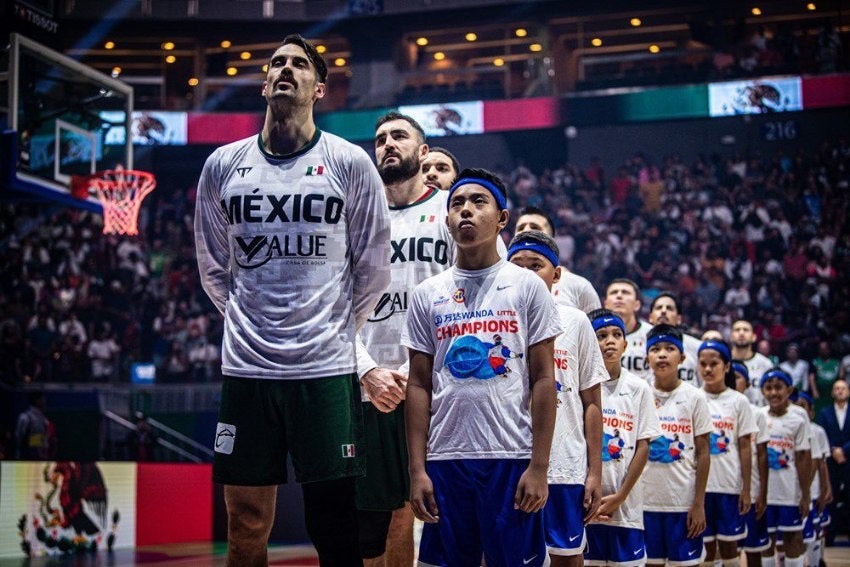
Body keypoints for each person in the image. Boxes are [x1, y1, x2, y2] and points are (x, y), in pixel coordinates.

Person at [194, 34, 391, 566]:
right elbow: (214, 268)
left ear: (319, 87)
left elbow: (373, 270)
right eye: (276, 62)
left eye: (299, 64)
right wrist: (248, 322)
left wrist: (332, 329)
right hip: (248, 371)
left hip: (325, 371)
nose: (286, 69)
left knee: (334, 527)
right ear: (264, 84)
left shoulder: (350, 163)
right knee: (246, 524)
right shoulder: (222, 165)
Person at [402, 168, 562, 566]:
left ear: (502, 218)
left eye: (478, 202)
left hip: (510, 457)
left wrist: (539, 466)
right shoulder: (426, 294)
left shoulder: (527, 287)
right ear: (447, 218)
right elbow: (418, 386)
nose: (466, 211)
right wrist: (417, 469)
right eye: (457, 204)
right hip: (445, 460)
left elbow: (545, 380)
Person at [354, 111, 453, 566]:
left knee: (453, 509)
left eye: (399, 136)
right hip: (378, 387)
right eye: (380, 139)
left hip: (445, 383)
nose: (388, 144)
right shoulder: (357, 216)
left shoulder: (453, 210)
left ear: (423, 151)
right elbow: (334, 305)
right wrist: (368, 369)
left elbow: (481, 298)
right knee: (388, 516)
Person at [507, 231, 606, 564]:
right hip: (510, 461)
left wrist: (594, 472)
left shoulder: (576, 321)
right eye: (517, 266)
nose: (526, 274)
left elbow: (592, 402)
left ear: (557, 274)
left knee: (567, 557)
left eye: (536, 265)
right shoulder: (496, 320)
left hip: (566, 467)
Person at [584, 308, 661, 567]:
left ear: (626, 344)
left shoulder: (639, 388)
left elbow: (643, 446)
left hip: (626, 507)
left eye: (617, 334)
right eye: (601, 335)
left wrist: (620, 496)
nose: (610, 340)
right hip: (585, 507)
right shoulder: (580, 385)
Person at [642, 324, 712, 567]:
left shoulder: (695, 397)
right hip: (644, 502)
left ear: (682, 357)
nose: (662, 354)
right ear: (646, 357)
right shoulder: (639, 394)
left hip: (683, 502)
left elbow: (704, 453)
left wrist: (699, 504)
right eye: (656, 349)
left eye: (669, 349)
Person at [698, 339, 758, 565]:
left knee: (729, 545)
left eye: (714, 363)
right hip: (700, 487)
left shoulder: (739, 401)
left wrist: (746, 488)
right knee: (705, 546)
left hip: (728, 485)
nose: (708, 369)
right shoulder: (694, 397)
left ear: (727, 366)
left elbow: (745, 447)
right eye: (703, 364)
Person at [759, 368, 812, 567]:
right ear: (763, 391)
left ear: (789, 390)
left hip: (790, 492)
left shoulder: (799, 416)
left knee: (793, 538)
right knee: (766, 539)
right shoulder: (759, 415)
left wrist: (805, 495)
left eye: (779, 387)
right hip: (764, 493)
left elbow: (803, 457)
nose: (773, 393)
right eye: (769, 388)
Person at [515, 206, 600, 313]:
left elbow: (596, 328)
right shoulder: (500, 281)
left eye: (535, 227)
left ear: (551, 238)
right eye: (521, 228)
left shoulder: (579, 285)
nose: (526, 231)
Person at [733, 361, 772, 567]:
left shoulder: (758, 414)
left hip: (752, 489)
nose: (732, 379)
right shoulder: (713, 407)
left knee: (754, 548)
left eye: (737, 376)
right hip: (727, 488)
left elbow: (763, 457)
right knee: (726, 548)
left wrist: (762, 493)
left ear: (748, 384)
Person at [793, 391, 832, 567]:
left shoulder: (817, 432)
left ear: (811, 411)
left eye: (803, 406)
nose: (799, 409)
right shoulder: (790, 427)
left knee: (814, 530)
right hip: (793, 491)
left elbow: (821, 462)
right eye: (797, 405)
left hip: (812, 490)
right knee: (796, 533)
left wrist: (826, 488)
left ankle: (816, 562)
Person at [817, 378, 850, 544]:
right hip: (831, 460)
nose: (840, 391)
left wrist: (844, 450)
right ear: (832, 392)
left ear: (848, 392)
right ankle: (829, 536)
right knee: (831, 497)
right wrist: (833, 450)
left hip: (849, 458)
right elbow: (821, 434)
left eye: (843, 388)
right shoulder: (825, 412)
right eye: (837, 388)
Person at [604, 279, 653, 381]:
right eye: (614, 293)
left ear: (637, 305)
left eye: (625, 292)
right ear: (606, 304)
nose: (619, 296)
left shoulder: (651, 334)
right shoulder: (593, 334)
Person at [649, 292, 702, 386]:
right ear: (650, 317)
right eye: (658, 308)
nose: (663, 311)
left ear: (679, 319)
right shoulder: (638, 343)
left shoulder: (696, 347)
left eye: (669, 308)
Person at [731, 319, 775, 407]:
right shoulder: (723, 362)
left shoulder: (766, 363)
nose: (741, 333)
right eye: (737, 330)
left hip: (759, 414)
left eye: (746, 330)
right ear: (731, 336)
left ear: (754, 337)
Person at [15, 391, 55, 460]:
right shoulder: (25, 417)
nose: (45, 401)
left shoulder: (44, 419)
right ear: (37, 400)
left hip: (41, 459)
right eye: (42, 399)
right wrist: (40, 440)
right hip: (27, 459)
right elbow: (19, 439)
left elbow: (45, 441)